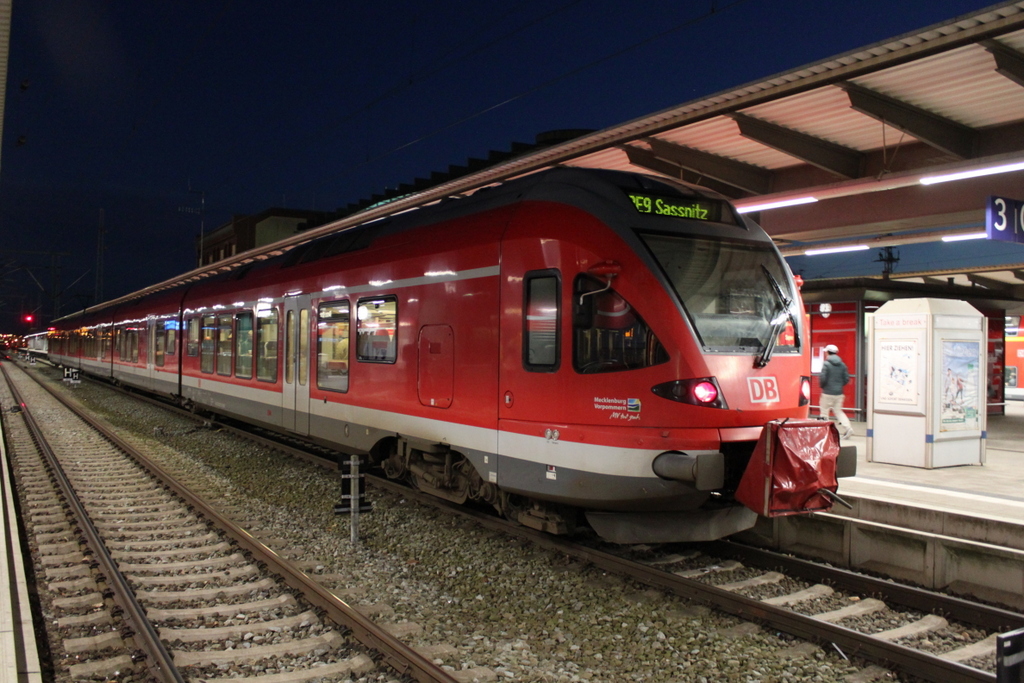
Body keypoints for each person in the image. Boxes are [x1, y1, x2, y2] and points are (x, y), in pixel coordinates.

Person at [819, 344, 853, 438]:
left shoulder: (826, 364)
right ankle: (848, 428)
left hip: (827, 392)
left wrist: (823, 386)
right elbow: (846, 378)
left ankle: (824, 432)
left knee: (824, 412)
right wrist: (838, 386)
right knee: (838, 411)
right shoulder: (842, 365)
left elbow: (823, 378)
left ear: (828, 352)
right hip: (839, 393)